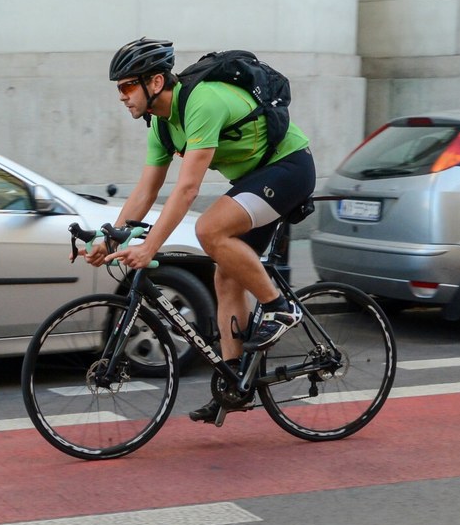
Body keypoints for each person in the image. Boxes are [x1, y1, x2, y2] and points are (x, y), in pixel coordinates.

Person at [88, 37, 316, 423]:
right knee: (225, 276)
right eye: (119, 89)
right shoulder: (161, 127)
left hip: (289, 167)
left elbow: (188, 188)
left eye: (128, 86)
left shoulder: (202, 102)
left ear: (155, 82)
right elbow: (146, 191)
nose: (122, 96)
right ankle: (236, 383)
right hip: (253, 180)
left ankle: (281, 309)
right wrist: (107, 237)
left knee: (210, 230)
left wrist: (149, 247)